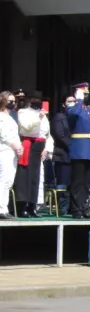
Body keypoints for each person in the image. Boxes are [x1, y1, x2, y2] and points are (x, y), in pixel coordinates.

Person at [66, 83, 90, 219]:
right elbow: (73, 114)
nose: (85, 96)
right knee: (77, 182)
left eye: (86, 94)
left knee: (87, 182)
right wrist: (77, 100)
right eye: (83, 94)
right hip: (79, 150)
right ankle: (75, 209)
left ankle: (84, 207)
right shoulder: (73, 108)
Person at [14, 91, 48, 217]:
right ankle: (22, 205)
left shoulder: (43, 114)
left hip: (39, 146)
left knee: (35, 177)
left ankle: (32, 206)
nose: (37, 101)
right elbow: (26, 127)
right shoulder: (24, 112)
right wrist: (38, 118)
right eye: (34, 99)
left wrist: (47, 148)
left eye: (39, 99)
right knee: (24, 176)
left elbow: (46, 133)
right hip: (28, 144)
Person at [50, 96, 73, 214]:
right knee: (63, 184)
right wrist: (74, 146)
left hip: (74, 157)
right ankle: (62, 208)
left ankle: (72, 207)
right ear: (63, 104)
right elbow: (60, 135)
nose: (72, 103)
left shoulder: (75, 118)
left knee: (72, 184)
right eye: (69, 101)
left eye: (74, 101)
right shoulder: (59, 117)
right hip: (63, 156)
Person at [0, 91, 19, 219]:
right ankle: (1, 209)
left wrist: (19, 146)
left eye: (13, 101)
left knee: (9, 181)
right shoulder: (1, 116)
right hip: (4, 150)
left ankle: (4, 208)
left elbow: (15, 135)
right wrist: (14, 144)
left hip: (13, 151)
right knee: (3, 180)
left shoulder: (11, 117)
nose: (12, 103)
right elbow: (4, 135)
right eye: (9, 101)